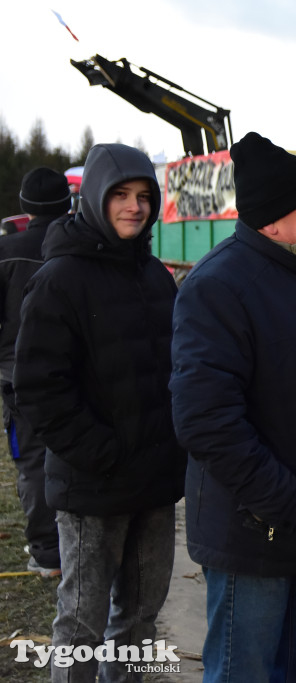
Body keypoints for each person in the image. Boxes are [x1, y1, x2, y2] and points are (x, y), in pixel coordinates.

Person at [169, 133, 296, 683]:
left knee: (294, 667)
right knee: (246, 672)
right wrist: (278, 498)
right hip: (258, 528)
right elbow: (205, 418)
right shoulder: (219, 286)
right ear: (272, 219)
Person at [13, 144, 185, 682]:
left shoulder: (155, 275)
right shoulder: (60, 279)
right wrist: (103, 455)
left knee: (139, 621)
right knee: (81, 625)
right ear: (92, 198)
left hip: (154, 486)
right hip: (94, 488)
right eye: (120, 195)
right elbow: (39, 389)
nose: (135, 207)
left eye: (144, 196)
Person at [0, 167, 70, 578]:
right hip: (75, 374)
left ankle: (48, 554)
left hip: (18, 380)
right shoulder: (81, 246)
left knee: (31, 462)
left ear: (25, 205)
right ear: (68, 203)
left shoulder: (6, 251)